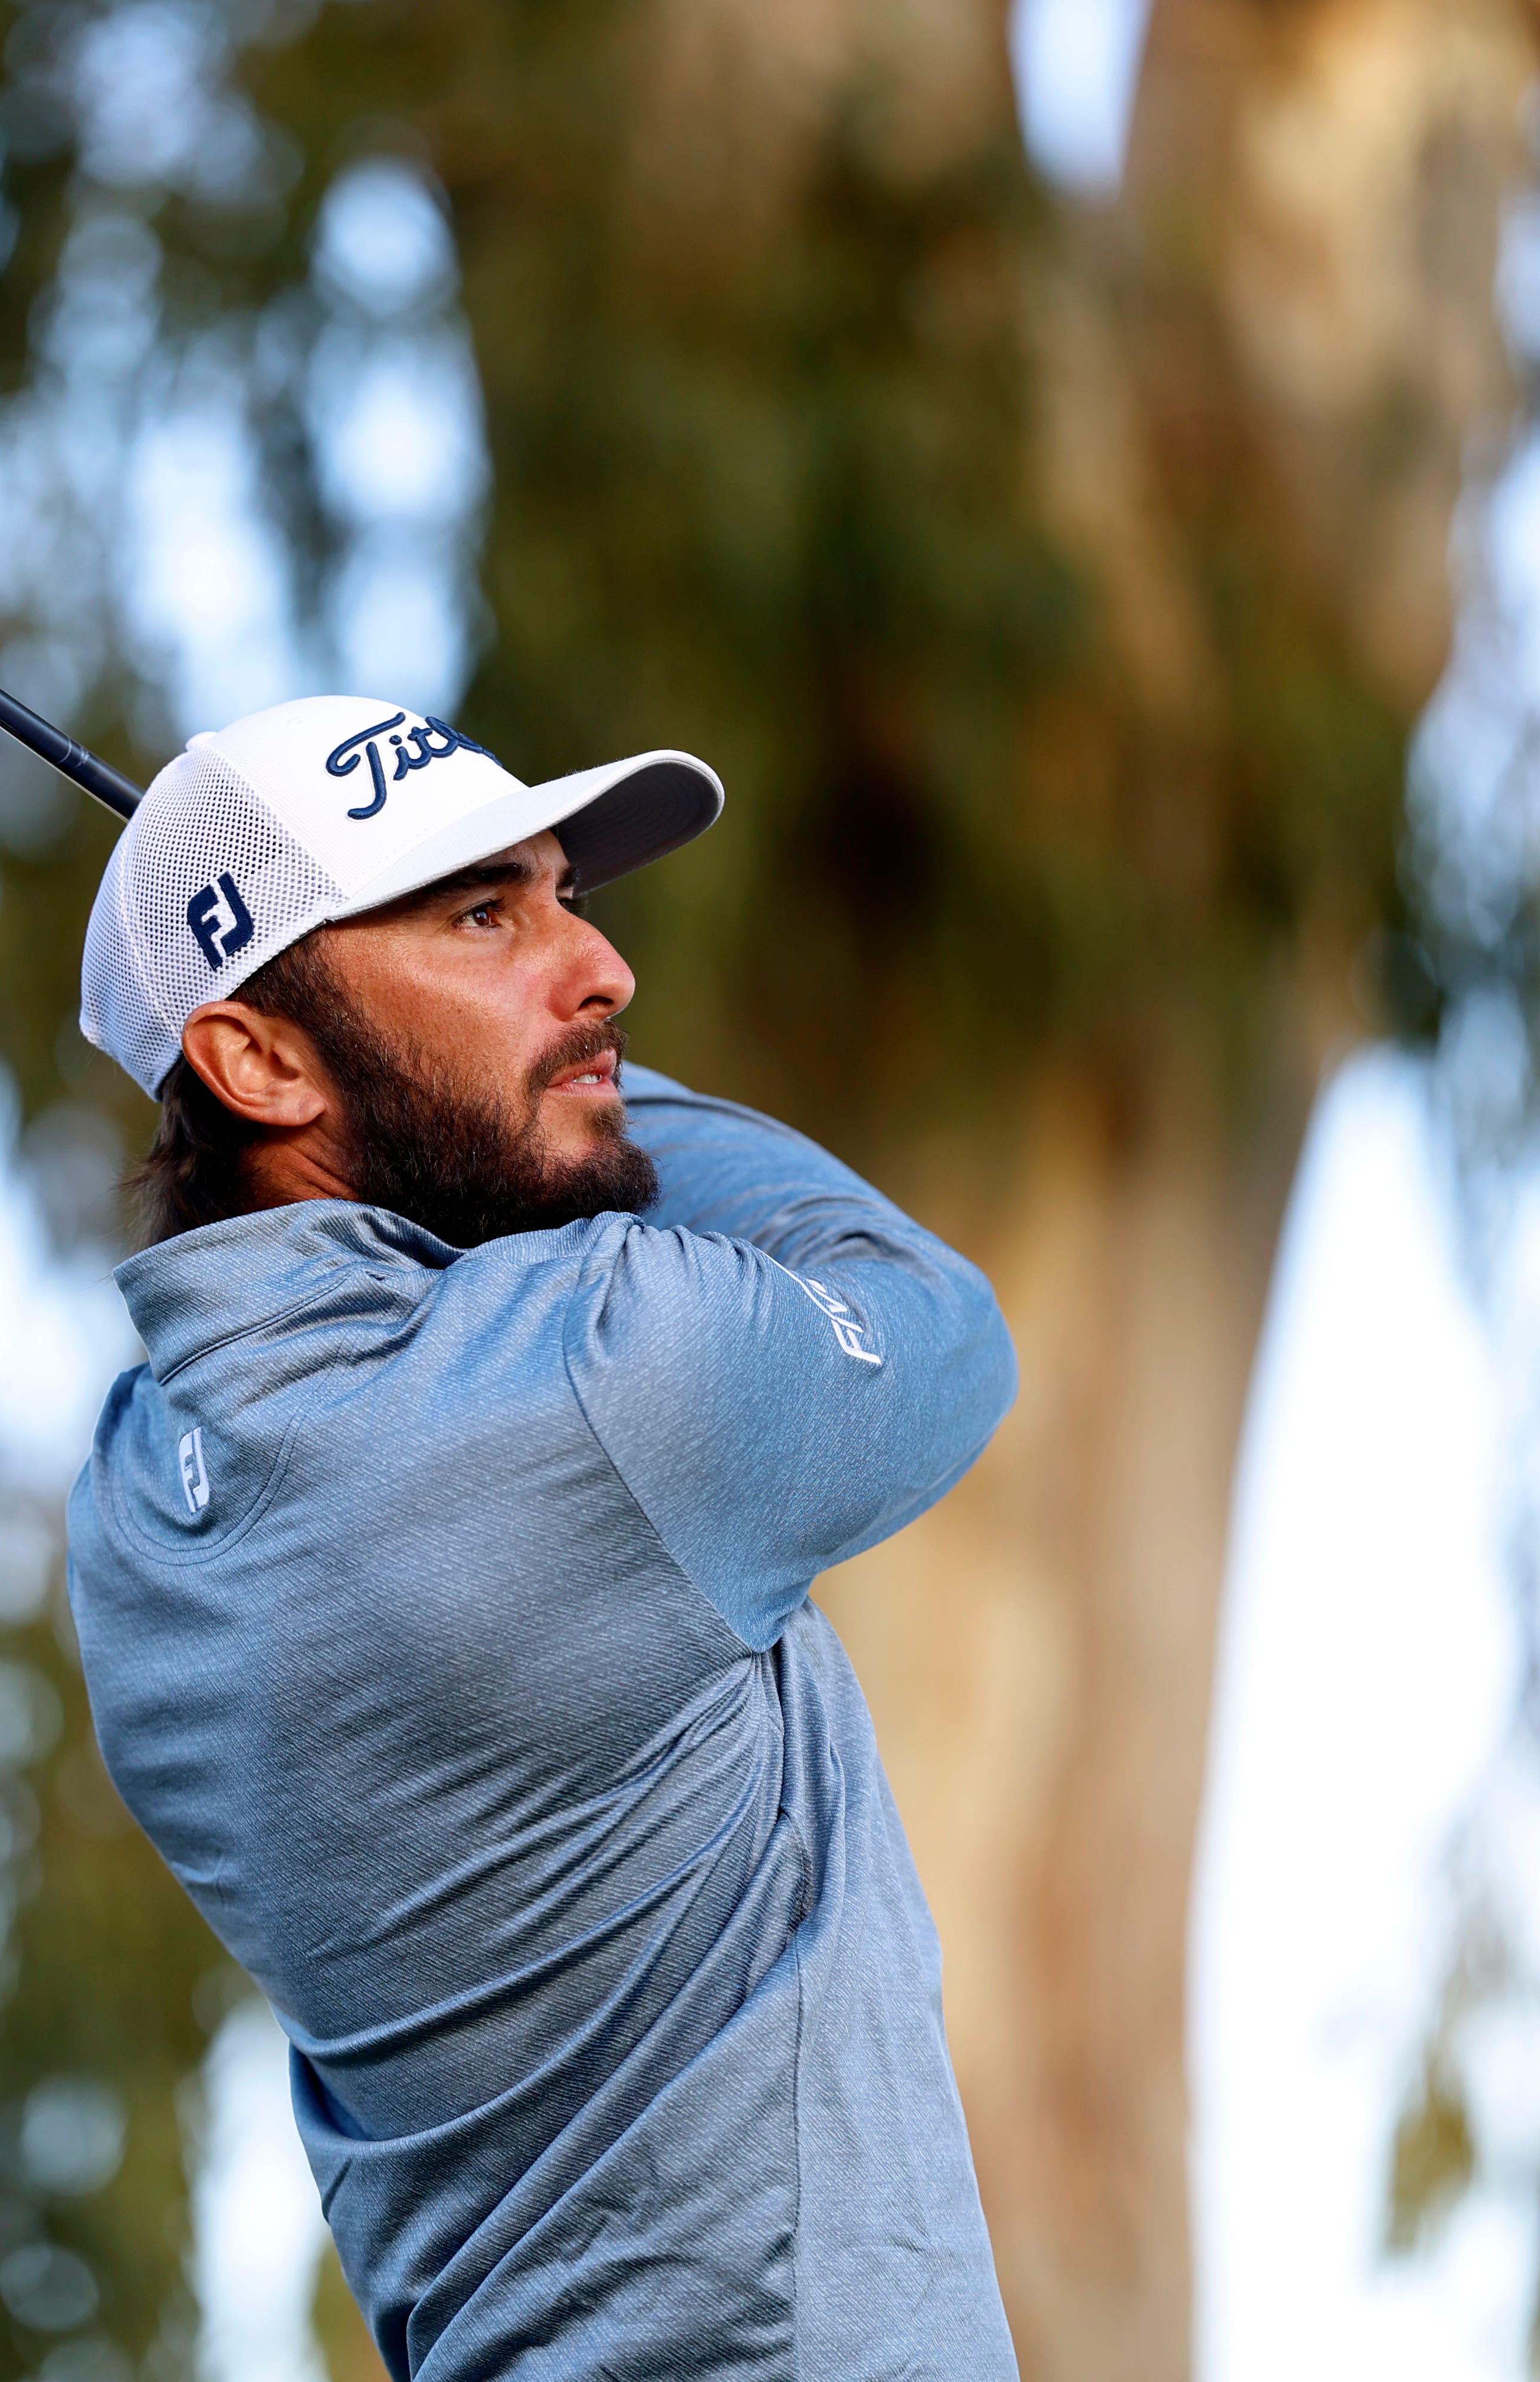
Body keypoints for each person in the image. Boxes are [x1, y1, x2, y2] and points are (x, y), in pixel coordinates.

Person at [67, 694, 1022, 2380]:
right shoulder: (604, 1382)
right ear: (260, 1058)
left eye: (564, 895)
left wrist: (493, 1064)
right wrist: (579, 1097)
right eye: (482, 916)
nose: (603, 972)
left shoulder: (138, 1516)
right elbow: (938, 1321)